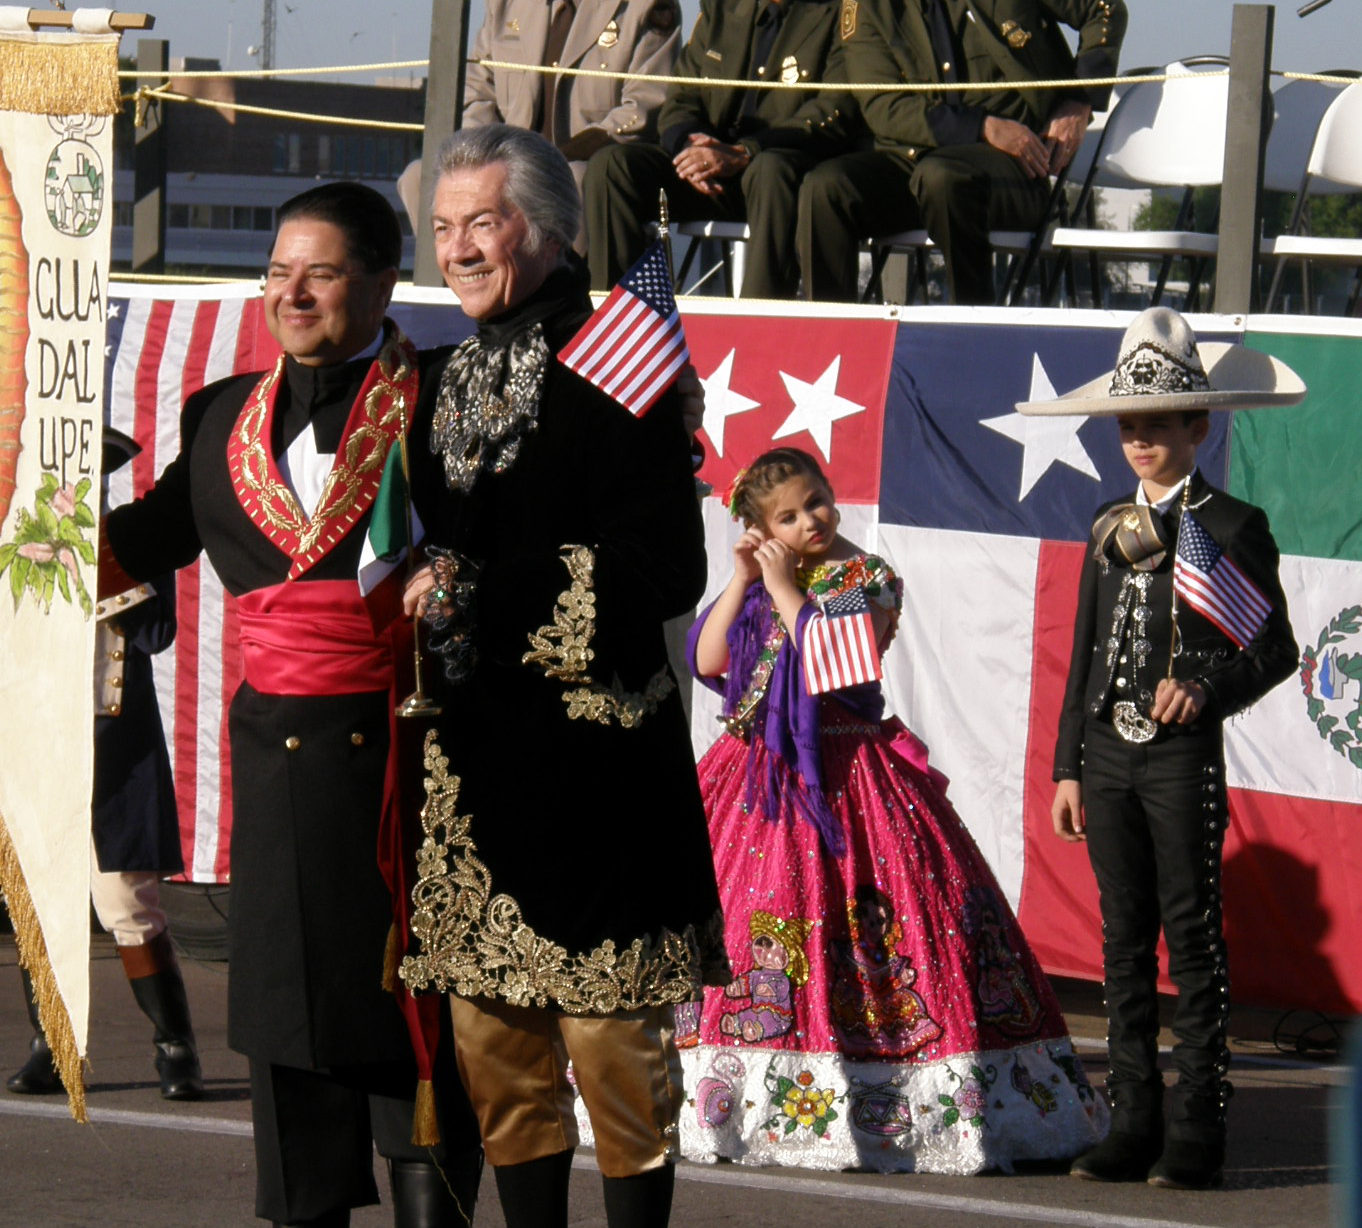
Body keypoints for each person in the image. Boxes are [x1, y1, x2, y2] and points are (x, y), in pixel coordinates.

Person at [104, 182, 481, 1228]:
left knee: (418, 1045)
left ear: (379, 281)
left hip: (410, 766)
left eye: (318, 272)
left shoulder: (446, 396)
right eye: (277, 271)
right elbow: (145, 536)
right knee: (288, 1038)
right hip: (275, 764)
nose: (292, 292)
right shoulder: (221, 413)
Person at [398, 124, 727, 1228]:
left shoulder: (616, 358)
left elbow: (666, 567)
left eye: (480, 224)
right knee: (497, 1057)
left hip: (596, 776)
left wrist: (480, 588)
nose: (458, 250)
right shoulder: (426, 381)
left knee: (618, 1061)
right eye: (442, 229)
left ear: (544, 232)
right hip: (470, 766)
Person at [675, 445, 1104, 1172]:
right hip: (759, 778)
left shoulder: (862, 576)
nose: (811, 519)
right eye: (788, 515)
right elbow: (709, 661)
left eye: (817, 500)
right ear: (762, 527)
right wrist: (746, 577)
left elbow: (840, 660)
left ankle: (893, 1088)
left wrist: (783, 589)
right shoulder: (765, 577)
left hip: (853, 773)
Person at [1025, 307, 1304, 1190]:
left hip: (1182, 758)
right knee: (1120, 940)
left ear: (1200, 424)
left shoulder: (1230, 524)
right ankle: (1132, 1117)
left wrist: (1209, 690)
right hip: (1107, 756)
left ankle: (1199, 1127)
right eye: (1130, 425)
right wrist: (1068, 764)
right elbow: (1086, 654)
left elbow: (1275, 648)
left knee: (1191, 938)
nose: (1141, 440)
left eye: (1159, 424)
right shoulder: (1110, 523)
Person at [0, 493, 204, 1103]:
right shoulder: (15, 535)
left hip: (117, 750)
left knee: (128, 909)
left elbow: (157, 632)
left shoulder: (132, 536)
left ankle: (176, 1046)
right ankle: (52, 1046)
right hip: (39, 739)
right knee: (38, 904)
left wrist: (98, 560)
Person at [798, 0, 1127, 305]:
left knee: (944, 177)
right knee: (826, 188)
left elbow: (1104, 10)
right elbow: (883, 105)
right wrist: (982, 127)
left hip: (1017, 166)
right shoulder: (868, 7)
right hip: (914, 159)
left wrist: (1079, 100)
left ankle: (971, 329)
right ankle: (830, 345)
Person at [583, 0, 861, 297]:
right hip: (710, 172)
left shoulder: (839, 12)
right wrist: (690, 144)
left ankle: (760, 325)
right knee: (613, 167)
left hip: (782, 167)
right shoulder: (722, 9)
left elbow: (835, 110)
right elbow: (681, 97)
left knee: (770, 171)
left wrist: (746, 151)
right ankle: (615, 321)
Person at [396, 0, 683, 247]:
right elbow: (477, 93)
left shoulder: (644, 7)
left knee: (582, 179)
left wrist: (555, 161)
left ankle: (573, 297)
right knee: (418, 177)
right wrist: (486, 158)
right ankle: (458, 293)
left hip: (581, 160)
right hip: (505, 159)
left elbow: (644, 106)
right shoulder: (506, 4)